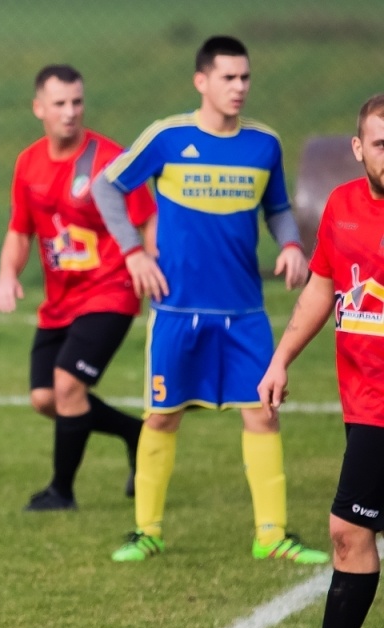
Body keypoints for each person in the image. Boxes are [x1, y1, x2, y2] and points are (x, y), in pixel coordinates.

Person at [93, 36, 326, 565]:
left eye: (245, 77)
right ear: (202, 81)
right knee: (163, 416)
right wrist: (133, 253)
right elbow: (108, 187)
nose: (240, 87)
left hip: (244, 313)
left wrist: (290, 244)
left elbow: (279, 207)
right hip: (176, 312)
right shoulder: (168, 137)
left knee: (263, 414)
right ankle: (146, 531)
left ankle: (271, 535)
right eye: (228, 77)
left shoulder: (264, 144)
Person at [258, 94, 384, 628]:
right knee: (353, 530)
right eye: (382, 144)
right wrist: (282, 359)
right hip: (364, 401)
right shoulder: (341, 206)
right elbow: (323, 288)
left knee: (348, 528)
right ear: (358, 149)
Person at [0, 64, 155, 511]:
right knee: (46, 398)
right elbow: (20, 231)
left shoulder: (110, 160)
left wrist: (149, 264)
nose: (70, 113)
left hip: (111, 290)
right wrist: (7, 275)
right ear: (38, 108)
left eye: (77, 102)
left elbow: (147, 216)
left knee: (67, 387)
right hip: (61, 301)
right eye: (60, 104)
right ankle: (134, 433)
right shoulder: (28, 162)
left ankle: (61, 492)